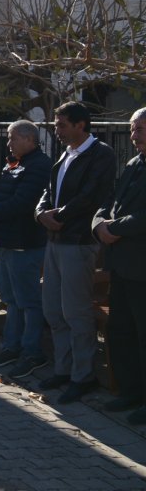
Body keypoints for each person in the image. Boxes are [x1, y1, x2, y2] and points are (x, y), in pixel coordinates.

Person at [35, 101, 118, 403]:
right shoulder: (66, 154)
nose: (57, 130)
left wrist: (59, 216)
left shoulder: (101, 154)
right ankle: (63, 368)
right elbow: (48, 191)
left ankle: (83, 376)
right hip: (55, 241)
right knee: (54, 310)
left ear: (80, 125)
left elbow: (92, 195)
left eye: (61, 124)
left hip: (78, 242)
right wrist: (41, 212)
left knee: (76, 312)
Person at [0, 120, 51, 378]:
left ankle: (32, 352)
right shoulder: (14, 164)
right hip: (5, 241)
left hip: (25, 242)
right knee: (10, 298)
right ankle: (11, 346)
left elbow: (22, 203)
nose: (8, 143)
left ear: (30, 139)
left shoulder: (40, 165)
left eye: (13, 138)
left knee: (28, 300)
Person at [93, 108, 146, 422]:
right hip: (122, 266)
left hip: (142, 265)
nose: (133, 135)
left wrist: (115, 228)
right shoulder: (133, 164)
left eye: (139, 129)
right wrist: (100, 223)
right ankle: (131, 392)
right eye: (132, 129)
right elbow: (110, 200)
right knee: (121, 330)